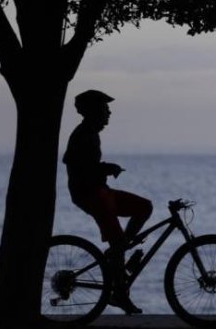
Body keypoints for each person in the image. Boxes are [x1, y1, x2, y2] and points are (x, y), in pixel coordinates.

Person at [62, 89, 153, 315]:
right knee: (118, 241)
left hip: (101, 192)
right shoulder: (83, 134)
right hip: (90, 194)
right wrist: (106, 168)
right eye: (105, 108)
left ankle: (118, 253)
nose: (109, 112)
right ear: (94, 111)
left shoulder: (91, 133)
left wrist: (104, 169)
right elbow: (78, 166)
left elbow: (87, 165)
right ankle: (119, 293)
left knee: (144, 207)